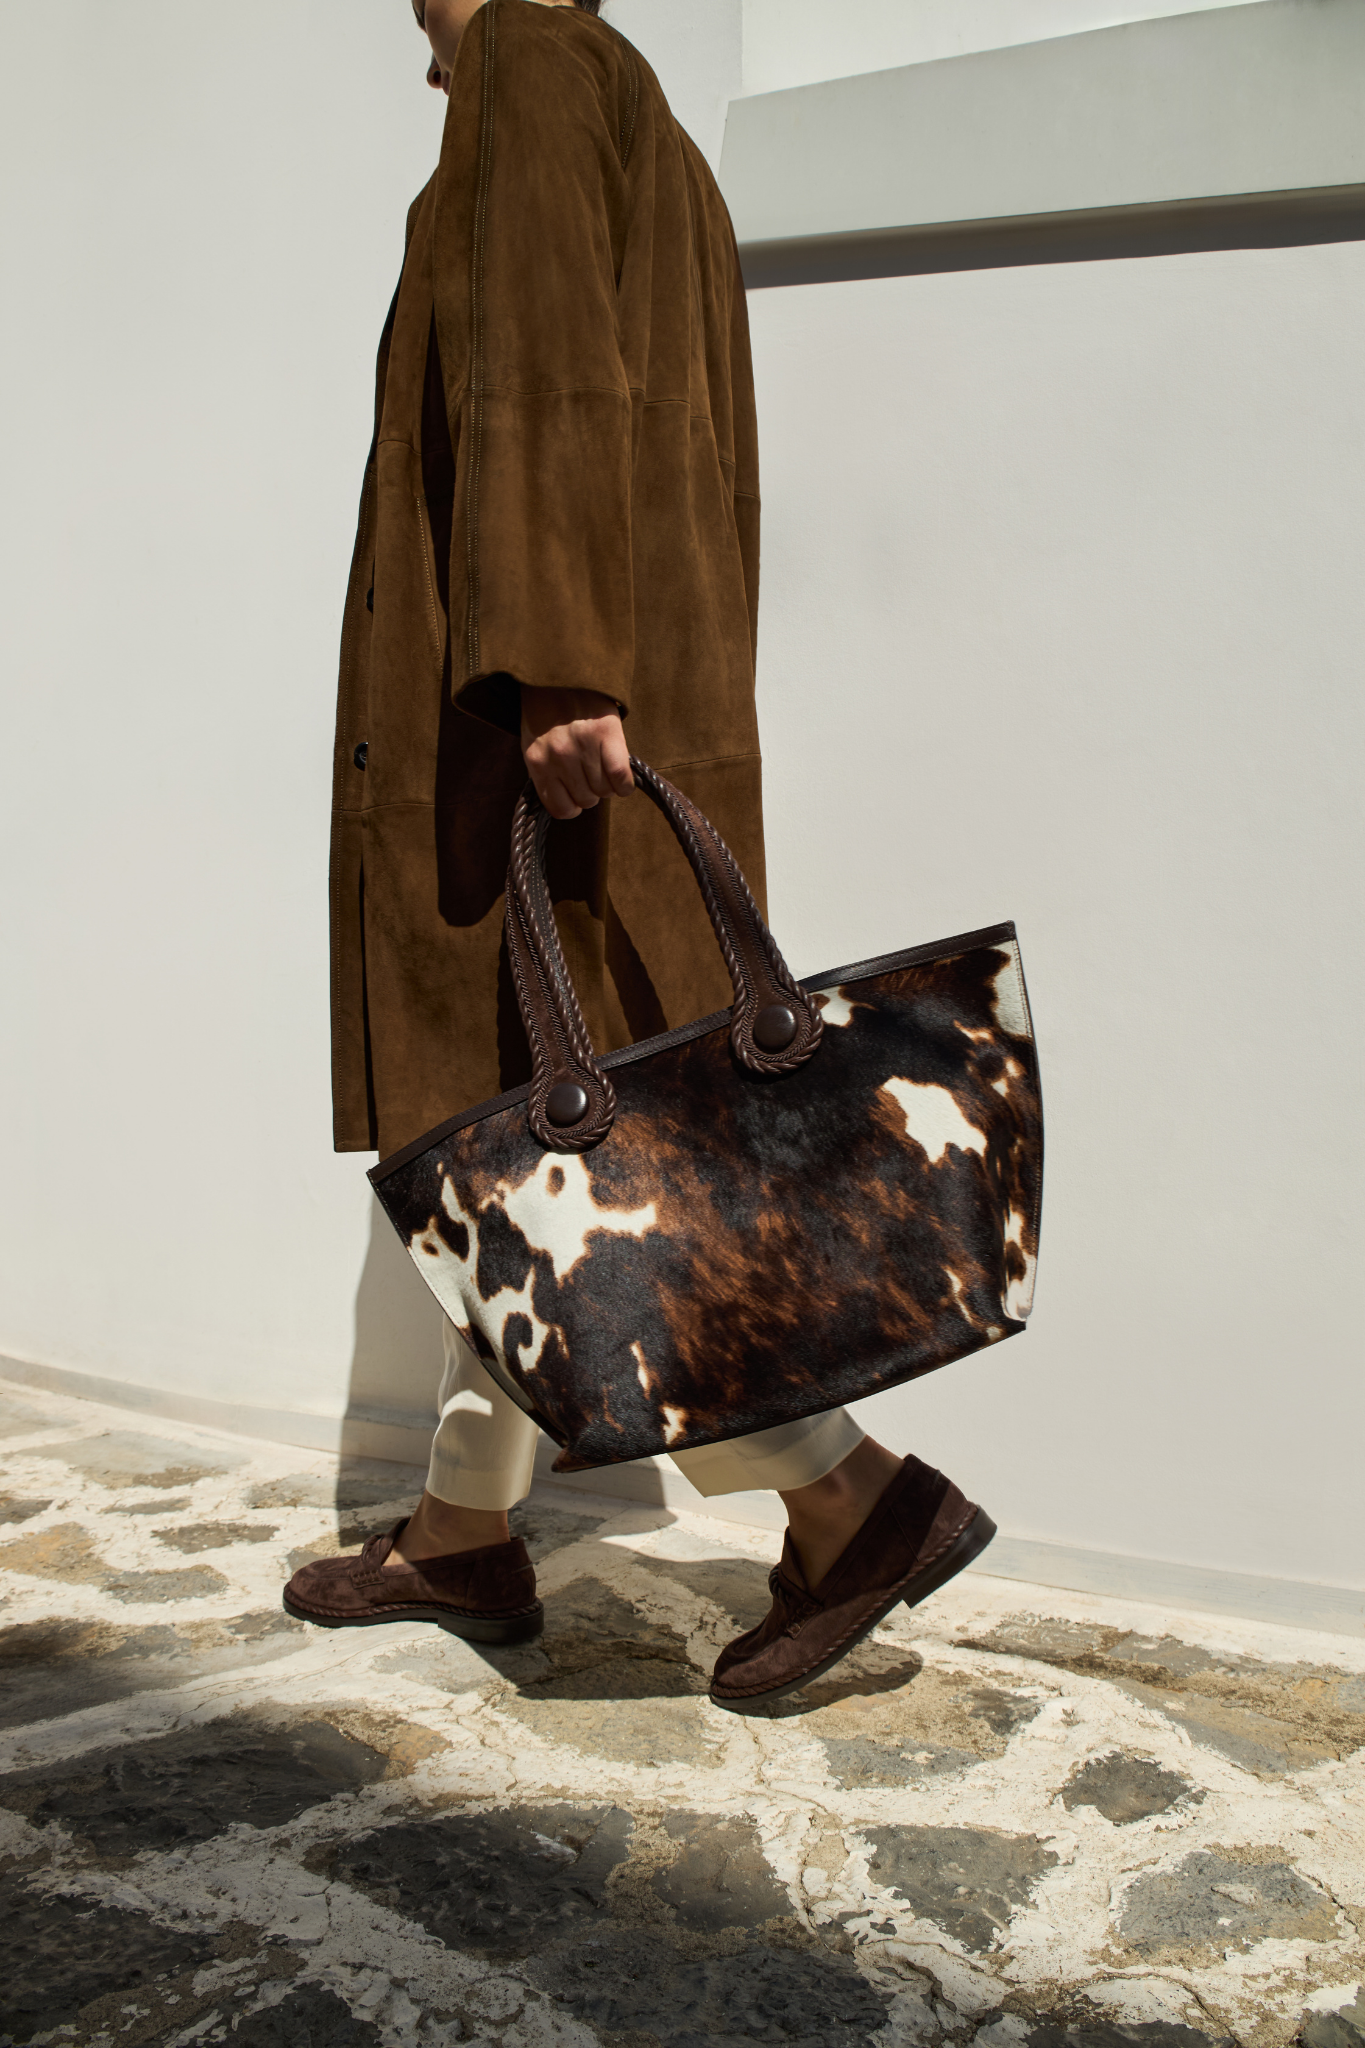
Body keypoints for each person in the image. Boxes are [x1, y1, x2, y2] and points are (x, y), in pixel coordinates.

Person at [283, 0, 994, 1708]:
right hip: (597, 705)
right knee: (534, 1152)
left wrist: (553, 660)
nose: (417, 38)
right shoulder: (647, 119)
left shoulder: (531, 57)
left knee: (594, 1167)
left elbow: (542, 372)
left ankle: (851, 1497)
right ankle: (463, 1531)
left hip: (530, 738)